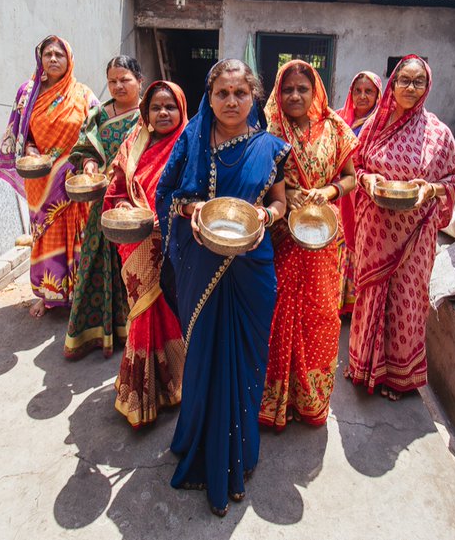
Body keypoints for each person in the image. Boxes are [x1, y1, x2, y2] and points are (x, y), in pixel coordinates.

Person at [156, 59, 289, 517]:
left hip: (252, 265)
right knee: (205, 357)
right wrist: (191, 209)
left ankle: (238, 457)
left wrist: (266, 218)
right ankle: (199, 450)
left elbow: (279, 201)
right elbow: (167, 190)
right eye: (222, 93)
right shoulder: (192, 137)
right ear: (208, 97)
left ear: (254, 96)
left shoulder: (269, 146)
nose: (231, 102)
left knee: (245, 362)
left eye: (240, 93)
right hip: (202, 260)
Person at [348, 56, 455, 400]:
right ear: (393, 85)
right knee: (371, 298)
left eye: (418, 82)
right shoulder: (374, 126)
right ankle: (364, 367)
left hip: (417, 234)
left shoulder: (438, 133)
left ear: (427, 87)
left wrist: (431, 189)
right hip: (377, 229)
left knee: (406, 301)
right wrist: (369, 182)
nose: (410, 88)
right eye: (404, 81)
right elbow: (354, 166)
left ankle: (399, 378)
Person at [259, 61, 358, 430]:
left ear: (315, 91)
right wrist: (287, 196)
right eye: (288, 89)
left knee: (320, 317)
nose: (295, 96)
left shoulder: (336, 129)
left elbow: (351, 179)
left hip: (322, 237)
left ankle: (311, 401)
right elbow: (257, 181)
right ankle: (274, 403)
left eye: (303, 88)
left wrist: (327, 191)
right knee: (277, 314)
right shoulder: (268, 131)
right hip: (281, 236)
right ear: (278, 93)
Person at [103, 80, 189, 427]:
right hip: (135, 240)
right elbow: (115, 188)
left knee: (167, 310)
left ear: (181, 110)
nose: (163, 113)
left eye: (170, 106)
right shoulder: (134, 142)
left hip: (172, 243)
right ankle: (141, 390)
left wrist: (166, 217)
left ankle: (171, 384)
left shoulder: (190, 146)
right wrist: (124, 204)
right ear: (146, 112)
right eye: (156, 107)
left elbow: (197, 192)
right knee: (141, 312)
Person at [0, 36, 98, 318]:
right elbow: (18, 131)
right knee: (45, 236)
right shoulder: (27, 93)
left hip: (75, 179)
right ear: (40, 58)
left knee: (79, 237)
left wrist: (90, 163)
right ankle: (48, 295)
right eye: (48, 54)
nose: (53, 59)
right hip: (41, 181)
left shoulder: (83, 94)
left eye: (59, 54)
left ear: (69, 60)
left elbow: (98, 132)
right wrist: (28, 147)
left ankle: (79, 294)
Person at [63, 56, 143, 359]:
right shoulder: (99, 113)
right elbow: (85, 147)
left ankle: (135, 333)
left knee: (132, 266)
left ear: (139, 80)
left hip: (134, 202)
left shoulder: (147, 114)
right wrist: (91, 164)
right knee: (97, 260)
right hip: (101, 203)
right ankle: (97, 331)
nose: (119, 85)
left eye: (125, 79)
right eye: (113, 81)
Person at [335, 71, 383, 315]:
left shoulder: (381, 126)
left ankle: (354, 305)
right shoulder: (338, 120)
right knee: (338, 243)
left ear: (378, 96)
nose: (362, 96)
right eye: (358, 91)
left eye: (369, 91)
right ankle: (336, 301)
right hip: (339, 193)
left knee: (359, 245)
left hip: (364, 196)